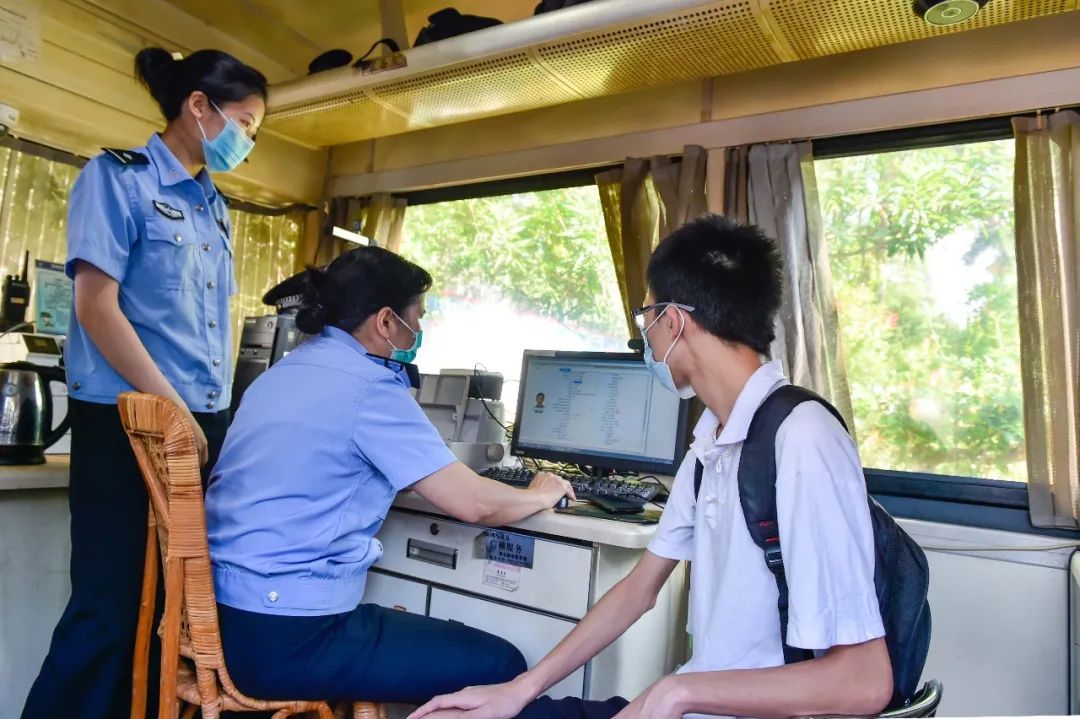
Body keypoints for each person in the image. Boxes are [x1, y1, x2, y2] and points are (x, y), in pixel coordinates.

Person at [409, 215, 893, 719]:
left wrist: (678, 693)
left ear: (673, 319)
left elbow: (862, 682)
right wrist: (519, 689)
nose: (646, 337)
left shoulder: (803, 437)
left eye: (647, 317)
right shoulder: (713, 441)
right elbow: (639, 591)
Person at [205, 246, 577, 705]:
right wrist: (540, 493)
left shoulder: (279, 374)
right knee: (502, 665)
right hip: (290, 636)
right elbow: (473, 503)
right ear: (385, 322)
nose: (418, 330)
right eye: (416, 318)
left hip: (218, 619)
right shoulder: (370, 385)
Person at [22, 47, 267, 719]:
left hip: (199, 422)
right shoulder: (118, 179)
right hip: (130, 420)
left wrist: (205, 417)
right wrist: (172, 406)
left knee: (168, 613)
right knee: (109, 602)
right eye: (244, 124)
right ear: (199, 106)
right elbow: (96, 307)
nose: (247, 141)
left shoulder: (214, 205)